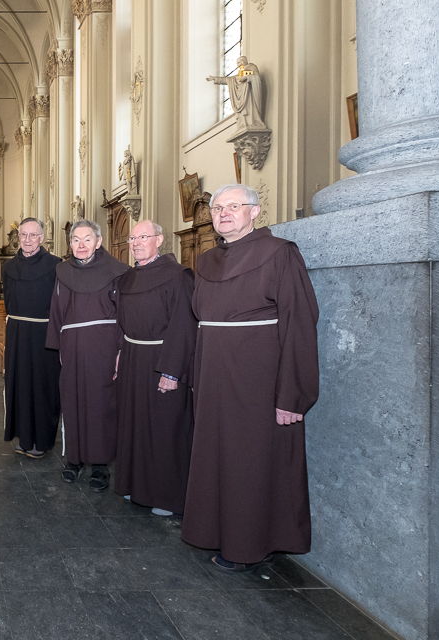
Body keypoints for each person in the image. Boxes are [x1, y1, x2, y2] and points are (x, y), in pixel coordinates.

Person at [182, 183, 319, 572]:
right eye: (217, 208)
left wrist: (293, 395)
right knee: (215, 458)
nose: (223, 213)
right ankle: (212, 531)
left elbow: (300, 324)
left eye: (233, 206)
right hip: (212, 379)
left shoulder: (280, 254)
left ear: (256, 211)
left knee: (251, 462)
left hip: (258, 382)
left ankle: (248, 545)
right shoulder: (206, 262)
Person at [114, 220, 197, 517]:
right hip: (133, 358)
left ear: (159, 240)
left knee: (164, 428)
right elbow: (120, 323)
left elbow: (185, 326)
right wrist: (119, 353)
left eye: (143, 237)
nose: (135, 243)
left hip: (163, 359)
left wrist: (172, 371)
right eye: (132, 238)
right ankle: (134, 484)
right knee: (133, 424)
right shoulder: (127, 279)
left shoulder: (179, 276)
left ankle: (166, 495)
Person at [45, 220, 128, 490]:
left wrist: (119, 349)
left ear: (98, 242)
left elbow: (123, 315)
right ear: (69, 244)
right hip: (71, 346)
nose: (81, 245)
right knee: (72, 400)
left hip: (103, 346)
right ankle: (74, 459)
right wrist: (58, 345)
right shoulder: (62, 271)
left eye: (87, 239)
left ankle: (101, 465)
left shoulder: (116, 271)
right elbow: (56, 310)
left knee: (101, 403)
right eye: (76, 240)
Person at [2, 217, 62, 457]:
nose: (27, 239)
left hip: (44, 335)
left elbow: (59, 305)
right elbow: (8, 301)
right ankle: (24, 437)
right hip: (17, 333)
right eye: (23, 235)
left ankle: (43, 439)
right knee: (19, 383)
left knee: (43, 385)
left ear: (42, 237)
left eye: (33, 235)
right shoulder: (8, 267)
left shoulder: (56, 265)